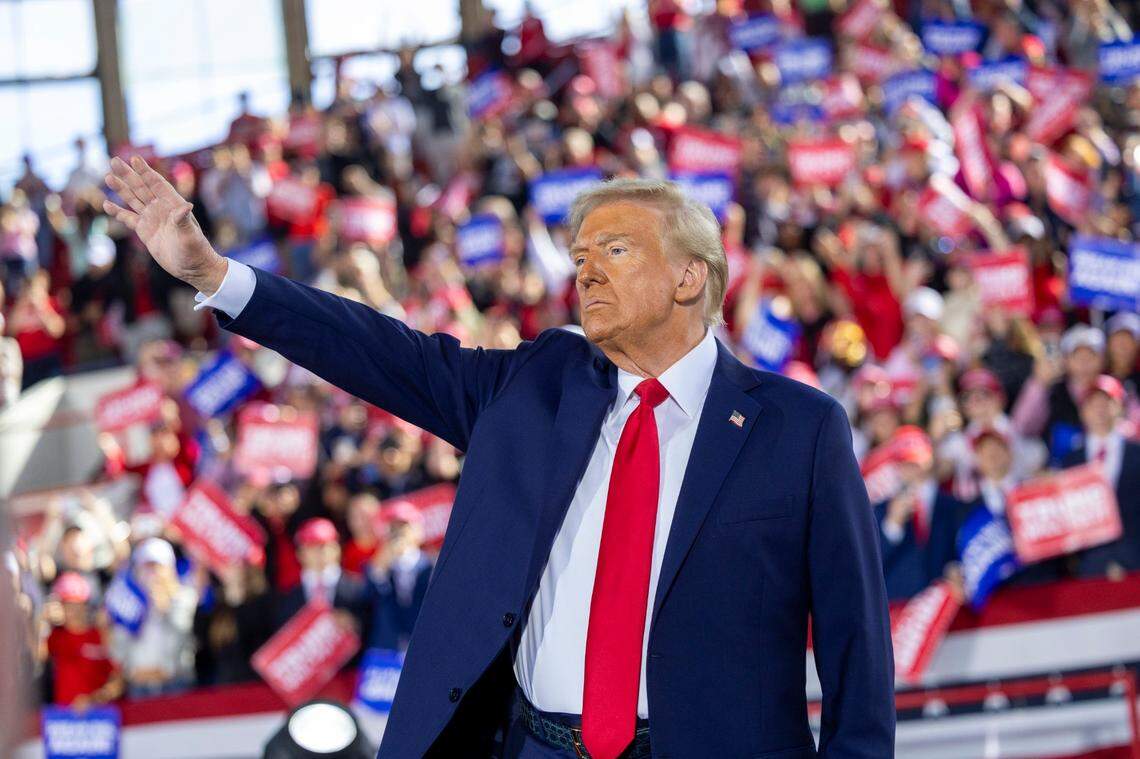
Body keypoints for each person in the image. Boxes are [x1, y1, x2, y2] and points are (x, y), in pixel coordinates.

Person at [105, 159, 894, 758]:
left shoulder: (798, 429)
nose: (586, 270)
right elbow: (378, 351)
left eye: (616, 249)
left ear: (691, 276)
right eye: (580, 255)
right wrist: (216, 276)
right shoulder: (535, 384)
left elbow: (857, 646)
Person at [873, 426, 968, 601]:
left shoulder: (954, 505)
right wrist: (892, 525)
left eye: (915, 460)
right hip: (899, 606)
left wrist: (955, 569)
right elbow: (871, 563)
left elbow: (963, 551)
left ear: (930, 458)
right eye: (904, 461)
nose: (911, 467)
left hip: (943, 604)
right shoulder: (880, 510)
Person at [1062, 375, 1140, 577]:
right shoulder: (1071, 461)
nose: (1099, 409)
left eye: (1106, 402)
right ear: (1082, 411)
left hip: (1135, 561)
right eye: (1092, 403)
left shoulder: (1136, 454)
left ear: (1119, 407)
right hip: (1089, 565)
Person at [42, 572, 121, 707]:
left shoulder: (100, 635)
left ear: (85, 605)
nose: (73, 611)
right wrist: (43, 621)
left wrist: (94, 699)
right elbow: (38, 659)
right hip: (62, 717)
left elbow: (118, 681)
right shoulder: (55, 637)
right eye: (67, 605)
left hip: (98, 715)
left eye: (77, 604)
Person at [365, 502, 433, 652]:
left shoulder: (432, 566)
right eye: (392, 530)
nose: (397, 535)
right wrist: (379, 571)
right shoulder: (376, 568)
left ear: (418, 531)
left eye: (403, 528)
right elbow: (369, 604)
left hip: (426, 645)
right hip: (389, 651)